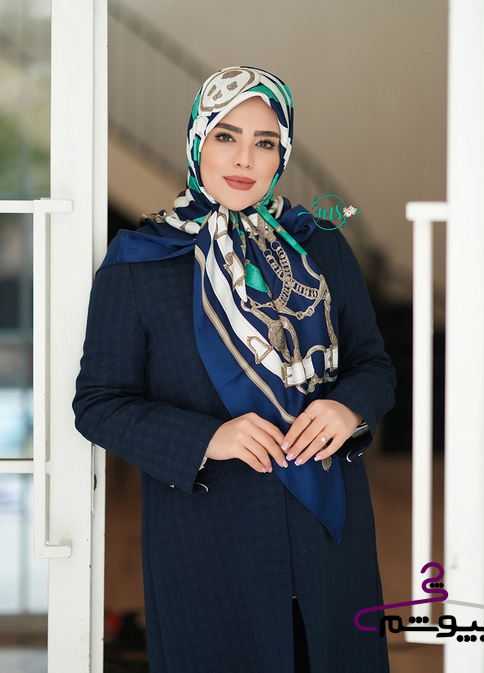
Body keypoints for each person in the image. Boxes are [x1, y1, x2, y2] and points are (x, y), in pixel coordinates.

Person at [73, 65, 396, 673]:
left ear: (282, 154)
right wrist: (208, 438)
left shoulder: (320, 246)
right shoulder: (139, 262)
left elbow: (372, 364)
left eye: (265, 141)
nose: (245, 158)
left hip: (329, 535)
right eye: (226, 135)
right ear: (198, 141)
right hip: (209, 537)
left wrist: (348, 406)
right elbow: (98, 403)